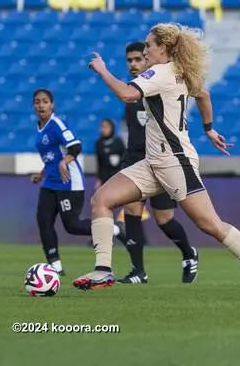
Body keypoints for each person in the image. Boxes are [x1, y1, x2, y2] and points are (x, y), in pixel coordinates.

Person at [74, 23, 240, 303]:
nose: (145, 50)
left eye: (149, 45)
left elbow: (127, 94)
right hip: (154, 162)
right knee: (102, 199)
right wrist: (208, 128)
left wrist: (102, 70)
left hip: (175, 162)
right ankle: (103, 269)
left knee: (209, 224)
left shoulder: (160, 72)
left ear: (165, 48)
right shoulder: (178, 71)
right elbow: (204, 95)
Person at [117, 42, 199, 285]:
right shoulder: (132, 92)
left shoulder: (161, 85)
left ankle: (189, 253)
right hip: (135, 159)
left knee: (164, 219)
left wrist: (208, 128)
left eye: (137, 59)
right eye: (129, 60)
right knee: (131, 211)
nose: (133, 64)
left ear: (148, 59)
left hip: (163, 159)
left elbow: (200, 94)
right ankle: (138, 271)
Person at [30, 89, 120, 276]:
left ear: (52, 104)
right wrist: (41, 173)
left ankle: (114, 229)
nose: (41, 105)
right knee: (43, 222)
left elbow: (75, 146)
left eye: (45, 101)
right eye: (37, 102)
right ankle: (56, 268)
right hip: (50, 183)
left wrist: (66, 161)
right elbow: (53, 156)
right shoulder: (40, 126)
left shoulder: (56, 124)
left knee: (72, 226)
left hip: (68, 182)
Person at [94, 118, 125, 189]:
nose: (103, 129)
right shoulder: (99, 143)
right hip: (105, 179)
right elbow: (99, 163)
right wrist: (99, 179)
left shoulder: (118, 142)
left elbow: (125, 160)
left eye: (106, 126)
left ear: (112, 128)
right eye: (102, 127)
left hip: (118, 178)